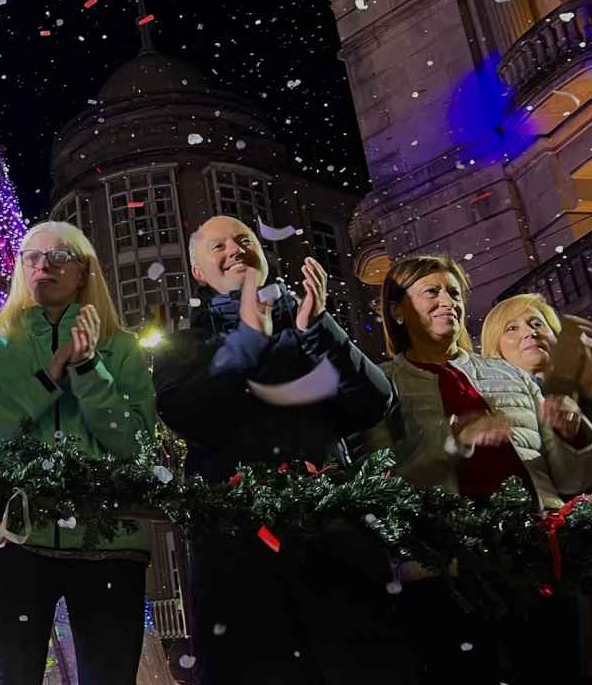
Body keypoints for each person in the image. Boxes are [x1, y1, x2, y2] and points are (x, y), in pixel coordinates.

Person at [153, 214, 410, 685]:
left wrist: (320, 328)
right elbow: (186, 413)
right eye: (218, 246)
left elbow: (374, 403)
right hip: (237, 549)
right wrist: (248, 342)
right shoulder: (184, 342)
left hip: (333, 539)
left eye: (244, 240)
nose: (235, 250)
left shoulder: (308, 323)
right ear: (197, 272)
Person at [370, 260, 592, 685]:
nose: (448, 303)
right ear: (397, 309)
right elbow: (381, 486)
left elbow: (570, 480)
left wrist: (573, 432)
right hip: (446, 573)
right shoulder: (381, 386)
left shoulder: (510, 375)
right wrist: (453, 439)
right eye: (432, 293)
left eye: (454, 293)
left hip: (537, 558)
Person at [0, 221, 155, 685]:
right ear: (20, 268)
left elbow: (136, 445)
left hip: (112, 545)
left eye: (60, 256)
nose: (44, 264)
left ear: (84, 271)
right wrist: (47, 379)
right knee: (10, 678)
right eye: (32, 256)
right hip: (17, 540)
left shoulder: (120, 348)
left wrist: (87, 370)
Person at [481, 293, 592, 682]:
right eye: (512, 327)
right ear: (494, 349)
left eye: (538, 322)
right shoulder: (493, 404)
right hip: (549, 561)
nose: (529, 333)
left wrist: (587, 394)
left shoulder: (582, 397)